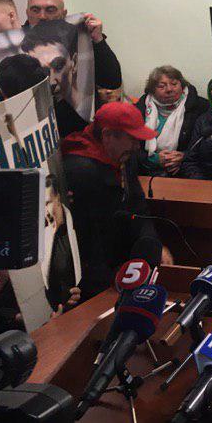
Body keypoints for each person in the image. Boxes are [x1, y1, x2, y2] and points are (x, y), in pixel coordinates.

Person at [60, 102, 160, 300]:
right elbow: (89, 238)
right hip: (96, 279)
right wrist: (109, 286)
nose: (137, 146)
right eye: (132, 139)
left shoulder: (122, 156)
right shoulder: (81, 171)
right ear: (107, 135)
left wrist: (151, 243)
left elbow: (137, 205)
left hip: (121, 267)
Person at [25, 0, 123, 95]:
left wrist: (98, 40)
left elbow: (112, 81)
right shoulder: (18, 45)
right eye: (35, 10)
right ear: (27, 13)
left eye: (50, 10)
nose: (42, 16)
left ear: (64, 14)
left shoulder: (80, 38)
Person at [135, 65, 210, 177]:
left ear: (182, 85)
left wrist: (185, 157)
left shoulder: (200, 107)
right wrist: (154, 159)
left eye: (174, 84)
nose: (169, 89)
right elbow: (129, 149)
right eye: (161, 86)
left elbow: (208, 146)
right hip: (145, 173)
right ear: (152, 90)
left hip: (185, 173)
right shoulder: (139, 109)